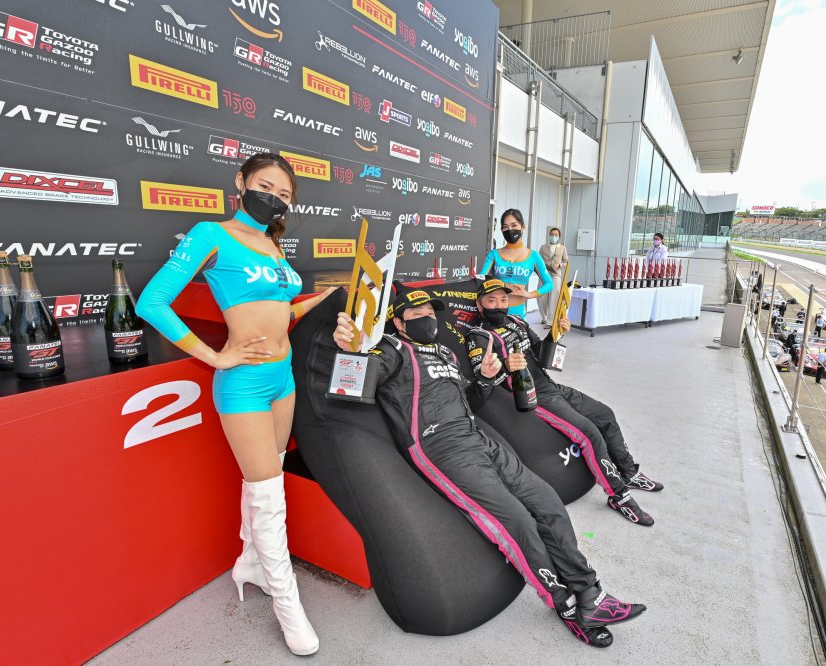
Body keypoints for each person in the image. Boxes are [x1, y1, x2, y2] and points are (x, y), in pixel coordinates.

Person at [331, 290, 645, 648]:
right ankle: (566, 604)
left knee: (548, 502)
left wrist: (483, 378)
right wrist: (351, 353)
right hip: (441, 449)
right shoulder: (391, 350)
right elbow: (347, 393)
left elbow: (471, 402)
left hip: (478, 438)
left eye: (430, 311)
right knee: (518, 522)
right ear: (399, 323)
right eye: (416, 314)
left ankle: (590, 594)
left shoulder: (446, 353)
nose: (427, 318)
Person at [137, 153, 334, 656]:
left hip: (282, 378)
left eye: (285, 195)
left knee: (267, 477)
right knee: (268, 494)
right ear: (241, 183)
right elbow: (151, 302)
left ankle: (250, 564)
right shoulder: (212, 234)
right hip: (243, 384)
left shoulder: (273, 244)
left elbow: (281, 312)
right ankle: (288, 605)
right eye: (266, 187)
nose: (275, 198)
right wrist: (213, 356)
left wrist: (327, 298)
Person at [466, 278, 660, 526]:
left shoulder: (517, 321)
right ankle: (619, 496)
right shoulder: (478, 336)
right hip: (532, 396)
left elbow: (543, 356)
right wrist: (504, 366)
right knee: (588, 432)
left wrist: (556, 334)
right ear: (480, 305)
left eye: (503, 299)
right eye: (491, 300)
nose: (499, 305)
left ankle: (629, 471)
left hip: (552, 387)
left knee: (605, 414)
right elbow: (482, 382)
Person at [480, 208, 554, 319]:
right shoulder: (494, 254)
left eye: (514, 225)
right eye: (505, 227)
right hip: (495, 312)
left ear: (523, 227)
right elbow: (480, 280)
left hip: (518, 312)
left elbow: (549, 284)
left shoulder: (533, 256)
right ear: (502, 230)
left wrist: (531, 294)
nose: (510, 230)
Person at [538, 227, 567, 328]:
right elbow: (538, 261)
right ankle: (544, 317)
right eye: (552, 234)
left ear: (559, 236)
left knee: (554, 298)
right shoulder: (543, 247)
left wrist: (559, 265)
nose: (553, 236)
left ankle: (550, 322)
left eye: (556, 235)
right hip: (544, 275)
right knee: (542, 298)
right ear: (549, 235)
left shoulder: (563, 248)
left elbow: (566, 262)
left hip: (556, 275)